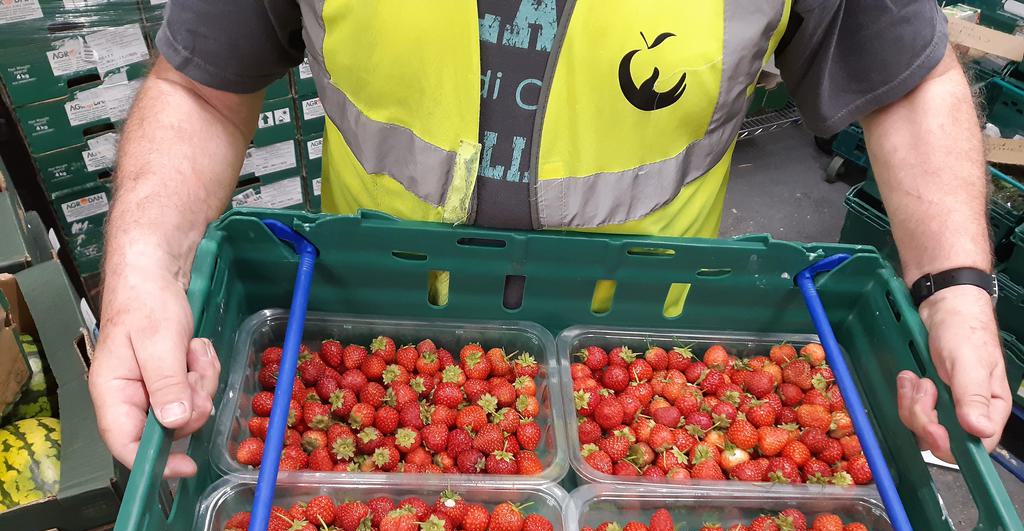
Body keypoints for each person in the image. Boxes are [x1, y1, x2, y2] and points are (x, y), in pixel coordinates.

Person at [90, 0, 1010, 478]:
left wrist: (956, 291)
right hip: (368, 352)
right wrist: (141, 270)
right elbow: (200, 88)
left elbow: (906, 84)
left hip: (646, 368)